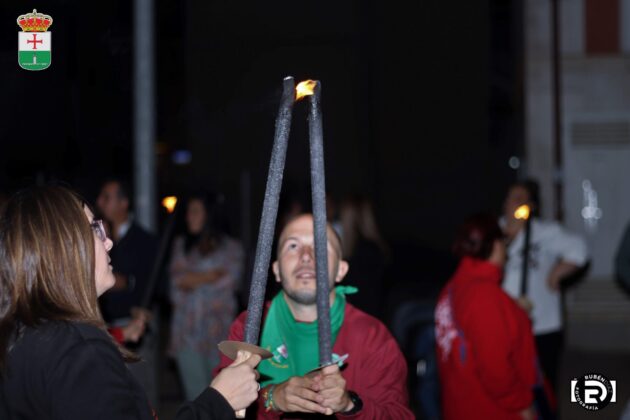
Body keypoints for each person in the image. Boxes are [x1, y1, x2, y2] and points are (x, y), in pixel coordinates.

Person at [0, 185, 261, 419]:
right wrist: (219, 401)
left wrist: (120, 333)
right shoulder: (82, 353)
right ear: (63, 248)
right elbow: (176, 283)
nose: (109, 242)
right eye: (95, 229)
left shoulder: (21, 333)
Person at [216, 214, 414, 419]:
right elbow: (220, 408)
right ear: (276, 270)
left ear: (341, 270)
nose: (306, 256)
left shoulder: (372, 337)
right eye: (293, 246)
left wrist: (349, 404)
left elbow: (397, 414)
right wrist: (272, 398)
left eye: (320, 246)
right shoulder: (249, 328)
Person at [435, 214, 538, 420]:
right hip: (490, 410)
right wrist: (521, 404)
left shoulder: (454, 286)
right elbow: (497, 373)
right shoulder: (485, 297)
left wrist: (512, 314)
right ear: (496, 246)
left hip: (462, 404)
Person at [501, 179, 588, 390]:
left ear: (531, 206)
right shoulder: (495, 232)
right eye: (512, 198)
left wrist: (557, 273)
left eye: (521, 199)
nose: (515, 203)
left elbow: (579, 250)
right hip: (505, 325)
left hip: (542, 325)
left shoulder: (544, 232)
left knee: (545, 386)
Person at [169, 192, 244, 401]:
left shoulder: (232, 248)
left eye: (195, 212)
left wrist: (192, 280)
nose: (189, 217)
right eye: (188, 212)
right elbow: (176, 284)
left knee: (222, 398)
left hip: (218, 335)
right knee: (196, 399)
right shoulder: (181, 246)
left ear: (209, 216)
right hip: (187, 336)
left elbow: (230, 281)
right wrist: (211, 276)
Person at [96, 178, 160, 405]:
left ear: (124, 203)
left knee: (140, 394)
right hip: (103, 325)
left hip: (134, 325)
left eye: (107, 197)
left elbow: (149, 283)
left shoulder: (144, 240)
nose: (100, 202)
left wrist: (125, 282)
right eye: (101, 196)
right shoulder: (97, 237)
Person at [338, 195, 389, 319]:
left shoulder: (364, 251)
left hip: (363, 317)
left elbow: (359, 292)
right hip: (372, 314)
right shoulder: (374, 247)